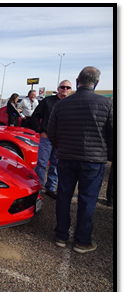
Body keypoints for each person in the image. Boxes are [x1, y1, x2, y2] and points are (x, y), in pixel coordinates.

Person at [48, 66, 113, 254]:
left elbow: (52, 132)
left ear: (77, 81)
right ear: (96, 83)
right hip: (93, 160)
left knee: (63, 196)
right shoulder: (107, 104)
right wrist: (106, 154)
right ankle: (82, 241)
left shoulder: (61, 104)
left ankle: (61, 235)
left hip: (67, 158)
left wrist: (62, 147)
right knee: (87, 199)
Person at [31, 80, 72, 199]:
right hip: (47, 138)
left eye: (68, 87)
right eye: (63, 87)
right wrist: (40, 130)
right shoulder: (47, 101)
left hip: (62, 140)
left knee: (56, 164)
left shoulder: (71, 103)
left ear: (70, 90)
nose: (65, 89)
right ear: (58, 88)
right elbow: (35, 116)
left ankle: (51, 188)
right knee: (42, 163)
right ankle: (38, 187)